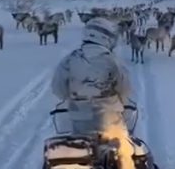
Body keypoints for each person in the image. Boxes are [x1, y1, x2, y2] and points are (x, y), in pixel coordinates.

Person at [51, 17, 135, 169]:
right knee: (125, 155)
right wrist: (119, 101)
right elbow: (125, 88)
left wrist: (75, 98)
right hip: (110, 120)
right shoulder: (112, 60)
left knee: (77, 155)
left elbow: (58, 89)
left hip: (78, 120)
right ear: (107, 37)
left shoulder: (70, 59)